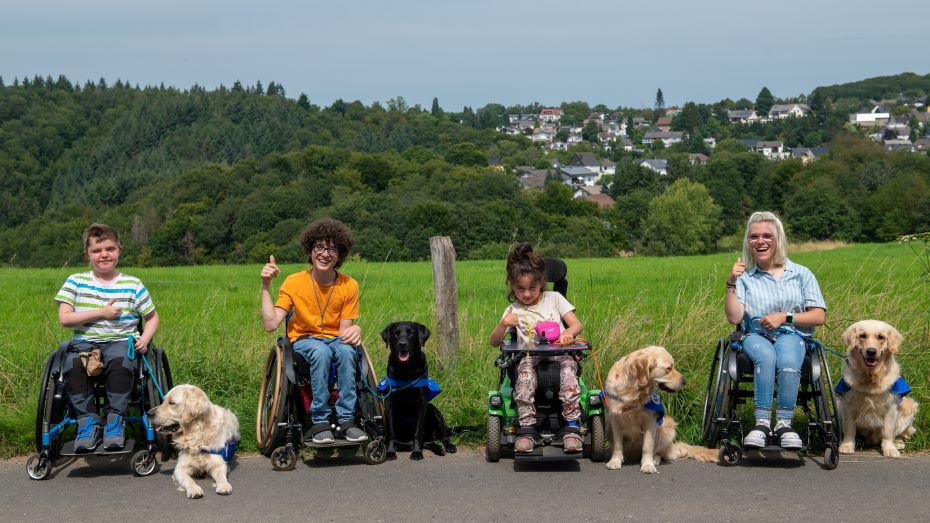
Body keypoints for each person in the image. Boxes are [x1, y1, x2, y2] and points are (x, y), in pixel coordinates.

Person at [724, 211, 826, 449]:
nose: (761, 241)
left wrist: (785, 317)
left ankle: (784, 424)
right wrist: (731, 282)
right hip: (755, 336)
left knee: (788, 357)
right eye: (754, 237)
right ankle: (760, 424)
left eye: (767, 236)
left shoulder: (801, 274)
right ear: (748, 242)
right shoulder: (746, 278)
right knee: (767, 356)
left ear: (778, 239)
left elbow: (818, 316)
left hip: (792, 334)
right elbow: (734, 317)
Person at [54, 223, 159, 452]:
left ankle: (114, 422)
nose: (104, 254)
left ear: (119, 250)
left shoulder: (132, 284)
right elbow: (65, 318)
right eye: (97, 250)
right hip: (86, 344)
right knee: (72, 365)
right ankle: (88, 422)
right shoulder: (75, 282)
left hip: (121, 342)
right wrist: (102, 312)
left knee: (120, 362)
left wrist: (145, 339)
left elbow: (152, 318)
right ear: (87, 254)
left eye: (110, 249)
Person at [260, 218, 366, 444]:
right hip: (305, 341)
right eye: (319, 247)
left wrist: (356, 329)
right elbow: (270, 324)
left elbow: (344, 332)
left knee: (348, 352)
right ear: (310, 250)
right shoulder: (294, 282)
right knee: (321, 352)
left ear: (340, 254)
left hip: (335, 339)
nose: (325, 253)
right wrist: (266, 286)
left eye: (332, 248)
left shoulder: (349, 285)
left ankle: (347, 419)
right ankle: (320, 421)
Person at [488, 242, 584, 453]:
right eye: (520, 289)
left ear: (541, 282)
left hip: (559, 354)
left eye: (532, 288)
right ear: (512, 286)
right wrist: (504, 324)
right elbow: (495, 342)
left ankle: (571, 427)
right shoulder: (513, 309)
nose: (527, 294)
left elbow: (577, 324)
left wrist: (568, 333)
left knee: (569, 373)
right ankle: (528, 427)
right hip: (530, 357)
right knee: (524, 377)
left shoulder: (555, 299)